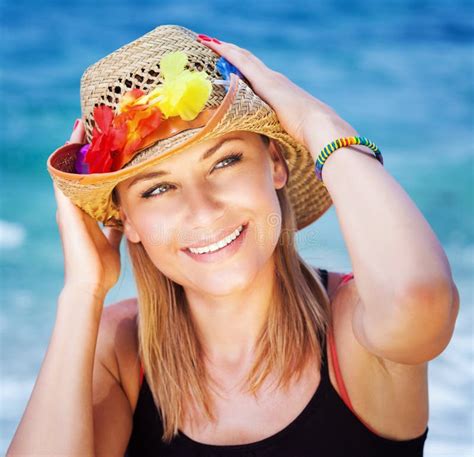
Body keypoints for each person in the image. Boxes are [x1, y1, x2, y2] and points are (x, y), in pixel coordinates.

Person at [7, 25, 459, 457]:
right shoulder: (120, 352)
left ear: (275, 163)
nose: (202, 209)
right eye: (157, 188)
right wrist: (82, 292)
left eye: (225, 161)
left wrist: (316, 122)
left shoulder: (358, 328)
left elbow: (418, 297)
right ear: (129, 223)